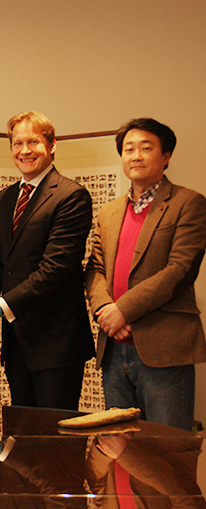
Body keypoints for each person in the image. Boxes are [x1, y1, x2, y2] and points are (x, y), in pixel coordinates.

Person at [0, 110, 94, 410]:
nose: (25, 151)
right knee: (22, 437)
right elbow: (3, 257)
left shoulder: (71, 196)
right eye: (17, 143)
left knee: (55, 441)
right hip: (17, 341)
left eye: (33, 142)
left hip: (56, 344)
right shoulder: (6, 198)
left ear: (52, 145)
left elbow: (54, 269)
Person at [85, 118, 206, 431]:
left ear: (165, 157)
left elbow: (179, 270)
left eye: (145, 148)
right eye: (128, 149)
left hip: (163, 348)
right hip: (114, 347)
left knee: (167, 451)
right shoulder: (110, 211)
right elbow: (94, 268)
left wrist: (121, 311)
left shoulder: (188, 203)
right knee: (118, 445)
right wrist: (103, 310)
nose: (135, 155)